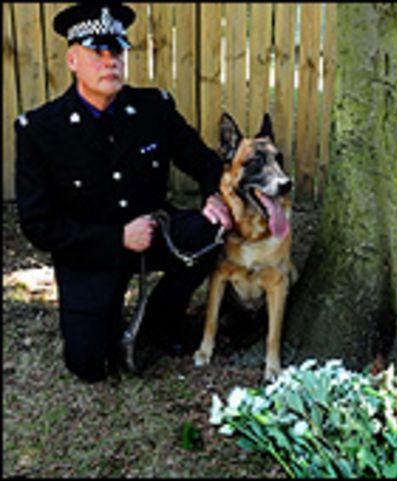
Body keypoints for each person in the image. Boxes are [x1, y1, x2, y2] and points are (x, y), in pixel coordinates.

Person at [14, 3, 233, 383]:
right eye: (96, 52)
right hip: (89, 251)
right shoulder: (40, 130)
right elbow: (38, 224)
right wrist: (115, 238)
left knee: (209, 232)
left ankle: (161, 322)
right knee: (90, 365)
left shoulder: (153, 109)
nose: (109, 61)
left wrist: (216, 194)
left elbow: (206, 162)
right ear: (72, 60)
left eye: (116, 51)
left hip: (151, 233)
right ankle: (102, 317)